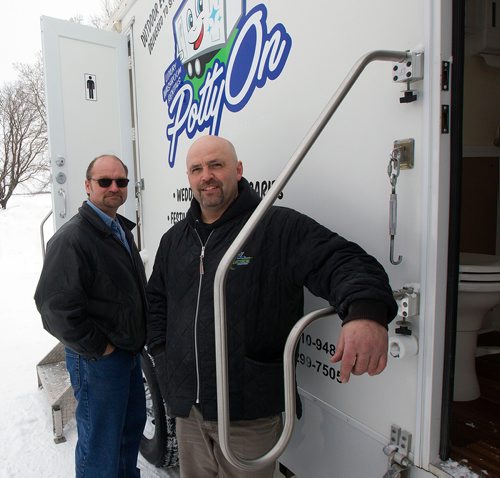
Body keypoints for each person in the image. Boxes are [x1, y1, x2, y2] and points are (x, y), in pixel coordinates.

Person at [146, 135, 398, 478]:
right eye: (196, 169)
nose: (206, 175)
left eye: (216, 165)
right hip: (188, 412)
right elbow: (156, 302)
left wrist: (366, 313)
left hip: (248, 414)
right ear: (189, 178)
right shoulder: (175, 240)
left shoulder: (276, 227)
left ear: (238, 170)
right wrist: (163, 358)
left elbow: (345, 261)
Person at [34, 154, 148, 478]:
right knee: (101, 447)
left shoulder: (116, 229)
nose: (114, 187)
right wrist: (101, 347)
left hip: (126, 356)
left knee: (127, 436)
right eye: (104, 181)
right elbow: (53, 307)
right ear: (87, 186)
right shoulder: (73, 238)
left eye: (121, 181)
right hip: (98, 361)